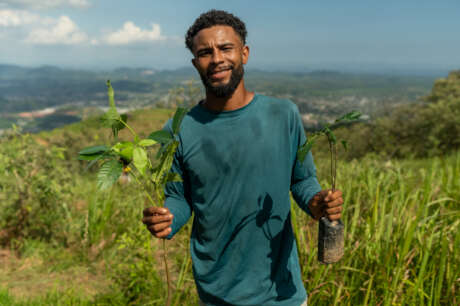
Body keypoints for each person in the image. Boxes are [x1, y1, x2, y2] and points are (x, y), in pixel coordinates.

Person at [142, 10, 343, 306]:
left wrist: (316, 203)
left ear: (244, 53)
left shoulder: (283, 114)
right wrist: (167, 220)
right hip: (216, 293)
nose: (217, 59)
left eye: (226, 48)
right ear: (195, 63)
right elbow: (179, 197)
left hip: (281, 293)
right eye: (205, 52)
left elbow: (302, 180)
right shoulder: (177, 129)